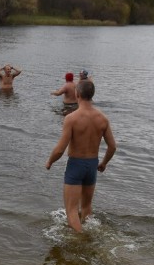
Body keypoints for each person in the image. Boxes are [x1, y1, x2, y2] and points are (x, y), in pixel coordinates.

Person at [46, 80, 117, 233]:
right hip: (92, 165)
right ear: (92, 95)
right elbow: (112, 146)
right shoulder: (103, 118)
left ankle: (81, 238)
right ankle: (89, 232)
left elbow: (60, 149)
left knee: (71, 210)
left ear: (77, 94)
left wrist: (50, 162)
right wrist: (104, 163)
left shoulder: (71, 118)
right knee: (86, 207)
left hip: (76, 165)